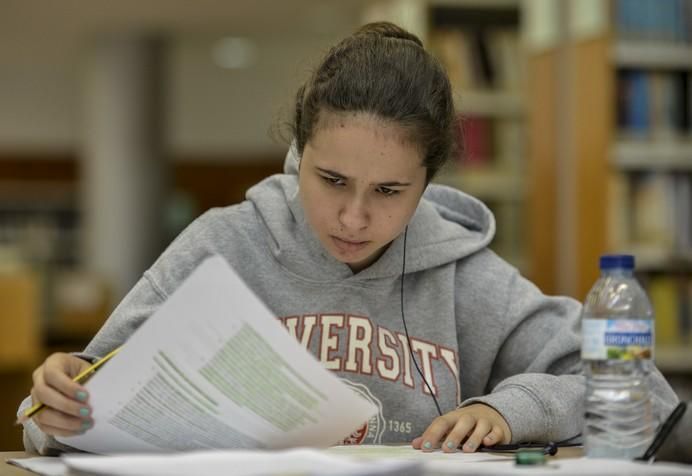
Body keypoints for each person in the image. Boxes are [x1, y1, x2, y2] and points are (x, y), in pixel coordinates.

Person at [19, 21, 679, 456]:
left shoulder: (462, 271)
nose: (354, 218)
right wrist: (58, 397)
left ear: (425, 185)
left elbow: (639, 389)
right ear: (299, 150)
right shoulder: (225, 243)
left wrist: (514, 409)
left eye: (390, 192)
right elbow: (68, 409)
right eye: (332, 180)